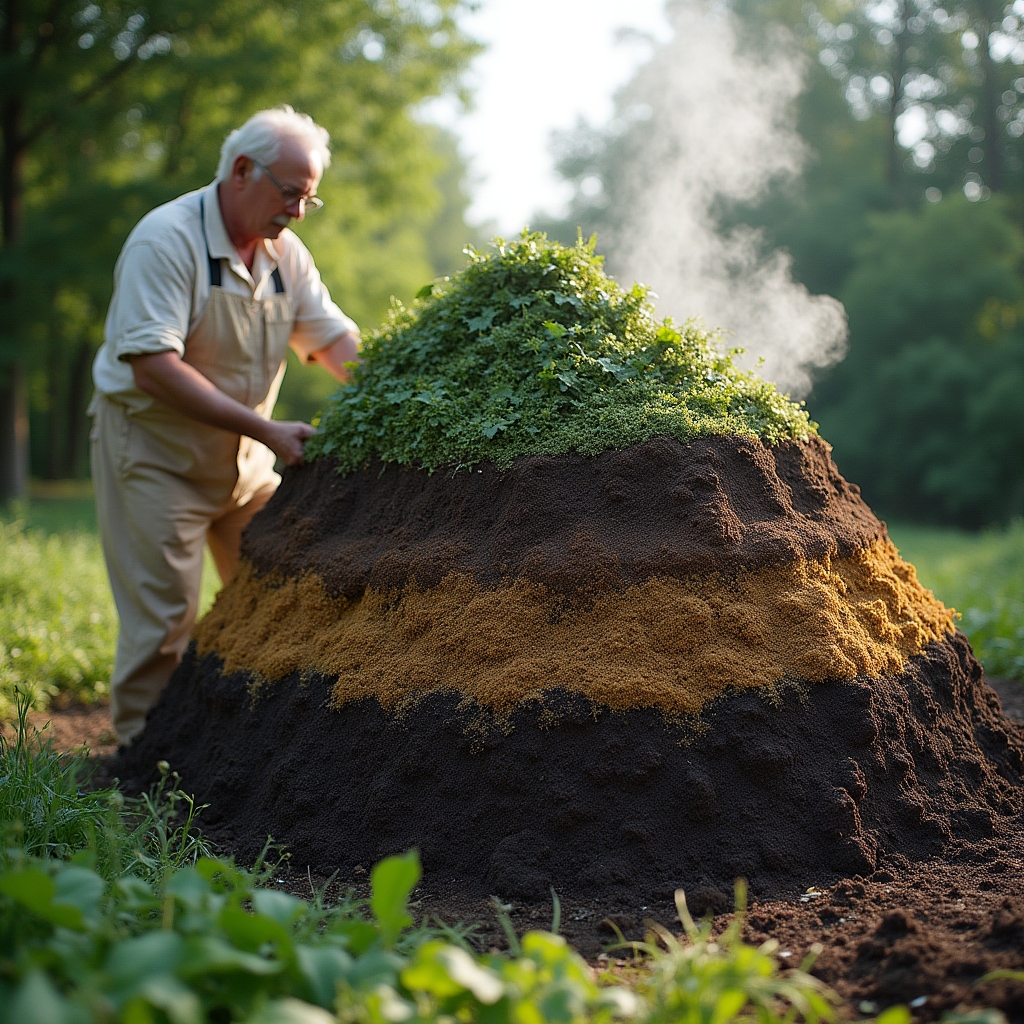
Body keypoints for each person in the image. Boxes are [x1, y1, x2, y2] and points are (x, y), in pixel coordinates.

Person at [90, 106, 360, 745]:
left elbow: (333, 341)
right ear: (242, 170)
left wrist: (404, 394)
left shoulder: (285, 256)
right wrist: (268, 431)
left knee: (282, 593)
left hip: (244, 466)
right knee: (164, 622)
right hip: (156, 458)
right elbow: (154, 369)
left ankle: (247, 747)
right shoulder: (166, 241)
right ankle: (140, 766)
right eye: (290, 193)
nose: (298, 212)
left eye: (309, 199)